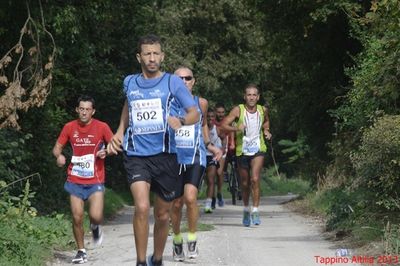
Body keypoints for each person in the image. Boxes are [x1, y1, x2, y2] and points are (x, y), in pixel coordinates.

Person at [107, 34, 199, 266]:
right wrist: (119, 131)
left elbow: (194, 112)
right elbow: (129, 106)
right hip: (136, 154)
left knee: (162, 215)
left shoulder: (172, 82)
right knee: (141, 206)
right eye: (147, 53)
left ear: (162, 56)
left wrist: (182, 121)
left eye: (156, 53)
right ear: (139, 57)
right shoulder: (129, 82)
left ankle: (157, 259)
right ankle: (140, 262)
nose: (152, 58)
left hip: (166, 156)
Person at [52, 95, 113, 264]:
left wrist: (106, 152)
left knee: (94, 215)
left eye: (87, 109)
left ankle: (95, 227)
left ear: (93, 111)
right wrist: (59, 156)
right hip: (75, 179)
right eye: (81, 109)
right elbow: (57, 147)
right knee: (77, 216)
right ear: (77, 110)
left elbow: (114, 145)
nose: (84, 112)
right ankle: (81, 251)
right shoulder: (69, 127)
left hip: (95, 179)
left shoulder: (102, 127)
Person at [170, 67, 222, 261]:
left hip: (195, 157)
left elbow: (203, 125)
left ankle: (192, 239)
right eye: (179, 78)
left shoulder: (201, 103)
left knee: (190, 198)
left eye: (187, 78)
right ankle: (176, 241)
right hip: (173, 158)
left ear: (194, 81)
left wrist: (210, 144)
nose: (184, 81)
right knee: (176, 203)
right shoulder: (167, 103)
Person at [221, 84, 272, 227]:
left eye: (254, 95)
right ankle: (245, 209)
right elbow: (224, 125)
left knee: (255, 179)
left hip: (258, 148)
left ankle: (255, 210)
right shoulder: (238, 110)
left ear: (258, 97)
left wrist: (266, 131)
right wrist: (236, 128)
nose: (251, 97)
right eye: (249, 95)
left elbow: (266, 122)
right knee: (245, 183)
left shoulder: (263, 110)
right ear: (245, 96)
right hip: (241, 150)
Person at [204, 109, 224, 213]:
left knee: (211, 179)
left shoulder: (217, 129)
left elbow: (224, 138)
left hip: (213, 156)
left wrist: (222, 150)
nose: (210, 119)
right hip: (203, 155)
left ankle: (208, 204)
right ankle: (212, 197)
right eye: (208, 117)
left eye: (212, 117)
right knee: (206, 180)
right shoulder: (202, 128)